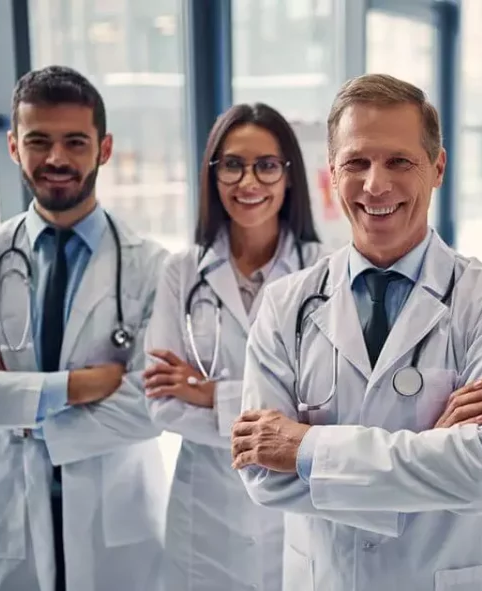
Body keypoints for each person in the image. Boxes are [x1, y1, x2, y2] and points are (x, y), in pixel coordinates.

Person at [228, 73, 482, 590]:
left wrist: (305, 448)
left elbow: (480, 472)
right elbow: (261, 474)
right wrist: (428, 455)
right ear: (331, 172)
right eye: (356, 162)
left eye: (399, 161)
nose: (375, 184)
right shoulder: (286, 305)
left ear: (437, 168)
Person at [0, 66, 168, 591]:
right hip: (7, 522)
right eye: (39, 141)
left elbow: (153, 405)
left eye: (74, 142)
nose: (56, 158)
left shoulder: (151, 266)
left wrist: (16, 404)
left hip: (117, 526)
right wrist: (76, 387)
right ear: (15, 147)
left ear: (103, 149)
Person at [141, 102, 329, 591]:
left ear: (289, 176)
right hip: (205, 514)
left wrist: (211, 395)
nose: (249, 182)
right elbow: (162, 406)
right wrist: (275, 423)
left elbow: (325, 407)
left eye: (266, 165)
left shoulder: (325, 275)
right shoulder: (181, 272)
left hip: (295, 505)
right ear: (212, 174)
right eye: (232, 164)